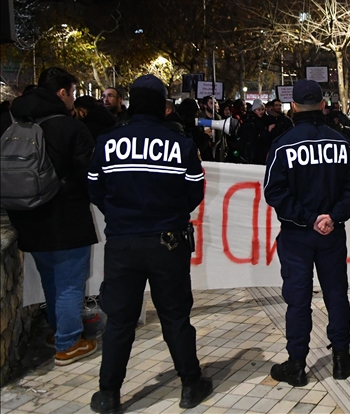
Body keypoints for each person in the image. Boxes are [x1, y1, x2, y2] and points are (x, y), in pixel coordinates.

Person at [87, 75, 211, 413]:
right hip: (167, 243)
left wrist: (121, 215)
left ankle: (109, 395)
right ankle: (189, 385)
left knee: (120, 321)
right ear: (161, 106)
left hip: (123, 244)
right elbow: (194, 192)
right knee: (175, 317)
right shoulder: (180, 144)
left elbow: (95, 189)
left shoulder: (108, 142)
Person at [264, 79, 350, 386]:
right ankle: (340, 358)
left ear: (293, 107)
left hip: (297, 235)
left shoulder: (283, 144)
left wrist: (309, 219)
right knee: (336, 294)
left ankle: (297, 364)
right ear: (323, 105)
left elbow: (274, 193)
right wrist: (331, 217)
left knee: (298, 299)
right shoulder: (340, 142)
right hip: (332, 234)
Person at [0, 67, 99, 366]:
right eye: (71, 92)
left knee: (51, 281)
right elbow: (88, 175)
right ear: (62, 93)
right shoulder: (69, 128)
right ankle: (68, 343)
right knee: (70, 283)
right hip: (66, 217)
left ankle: (59, 332)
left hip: (25, 215)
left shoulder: (10, 119)